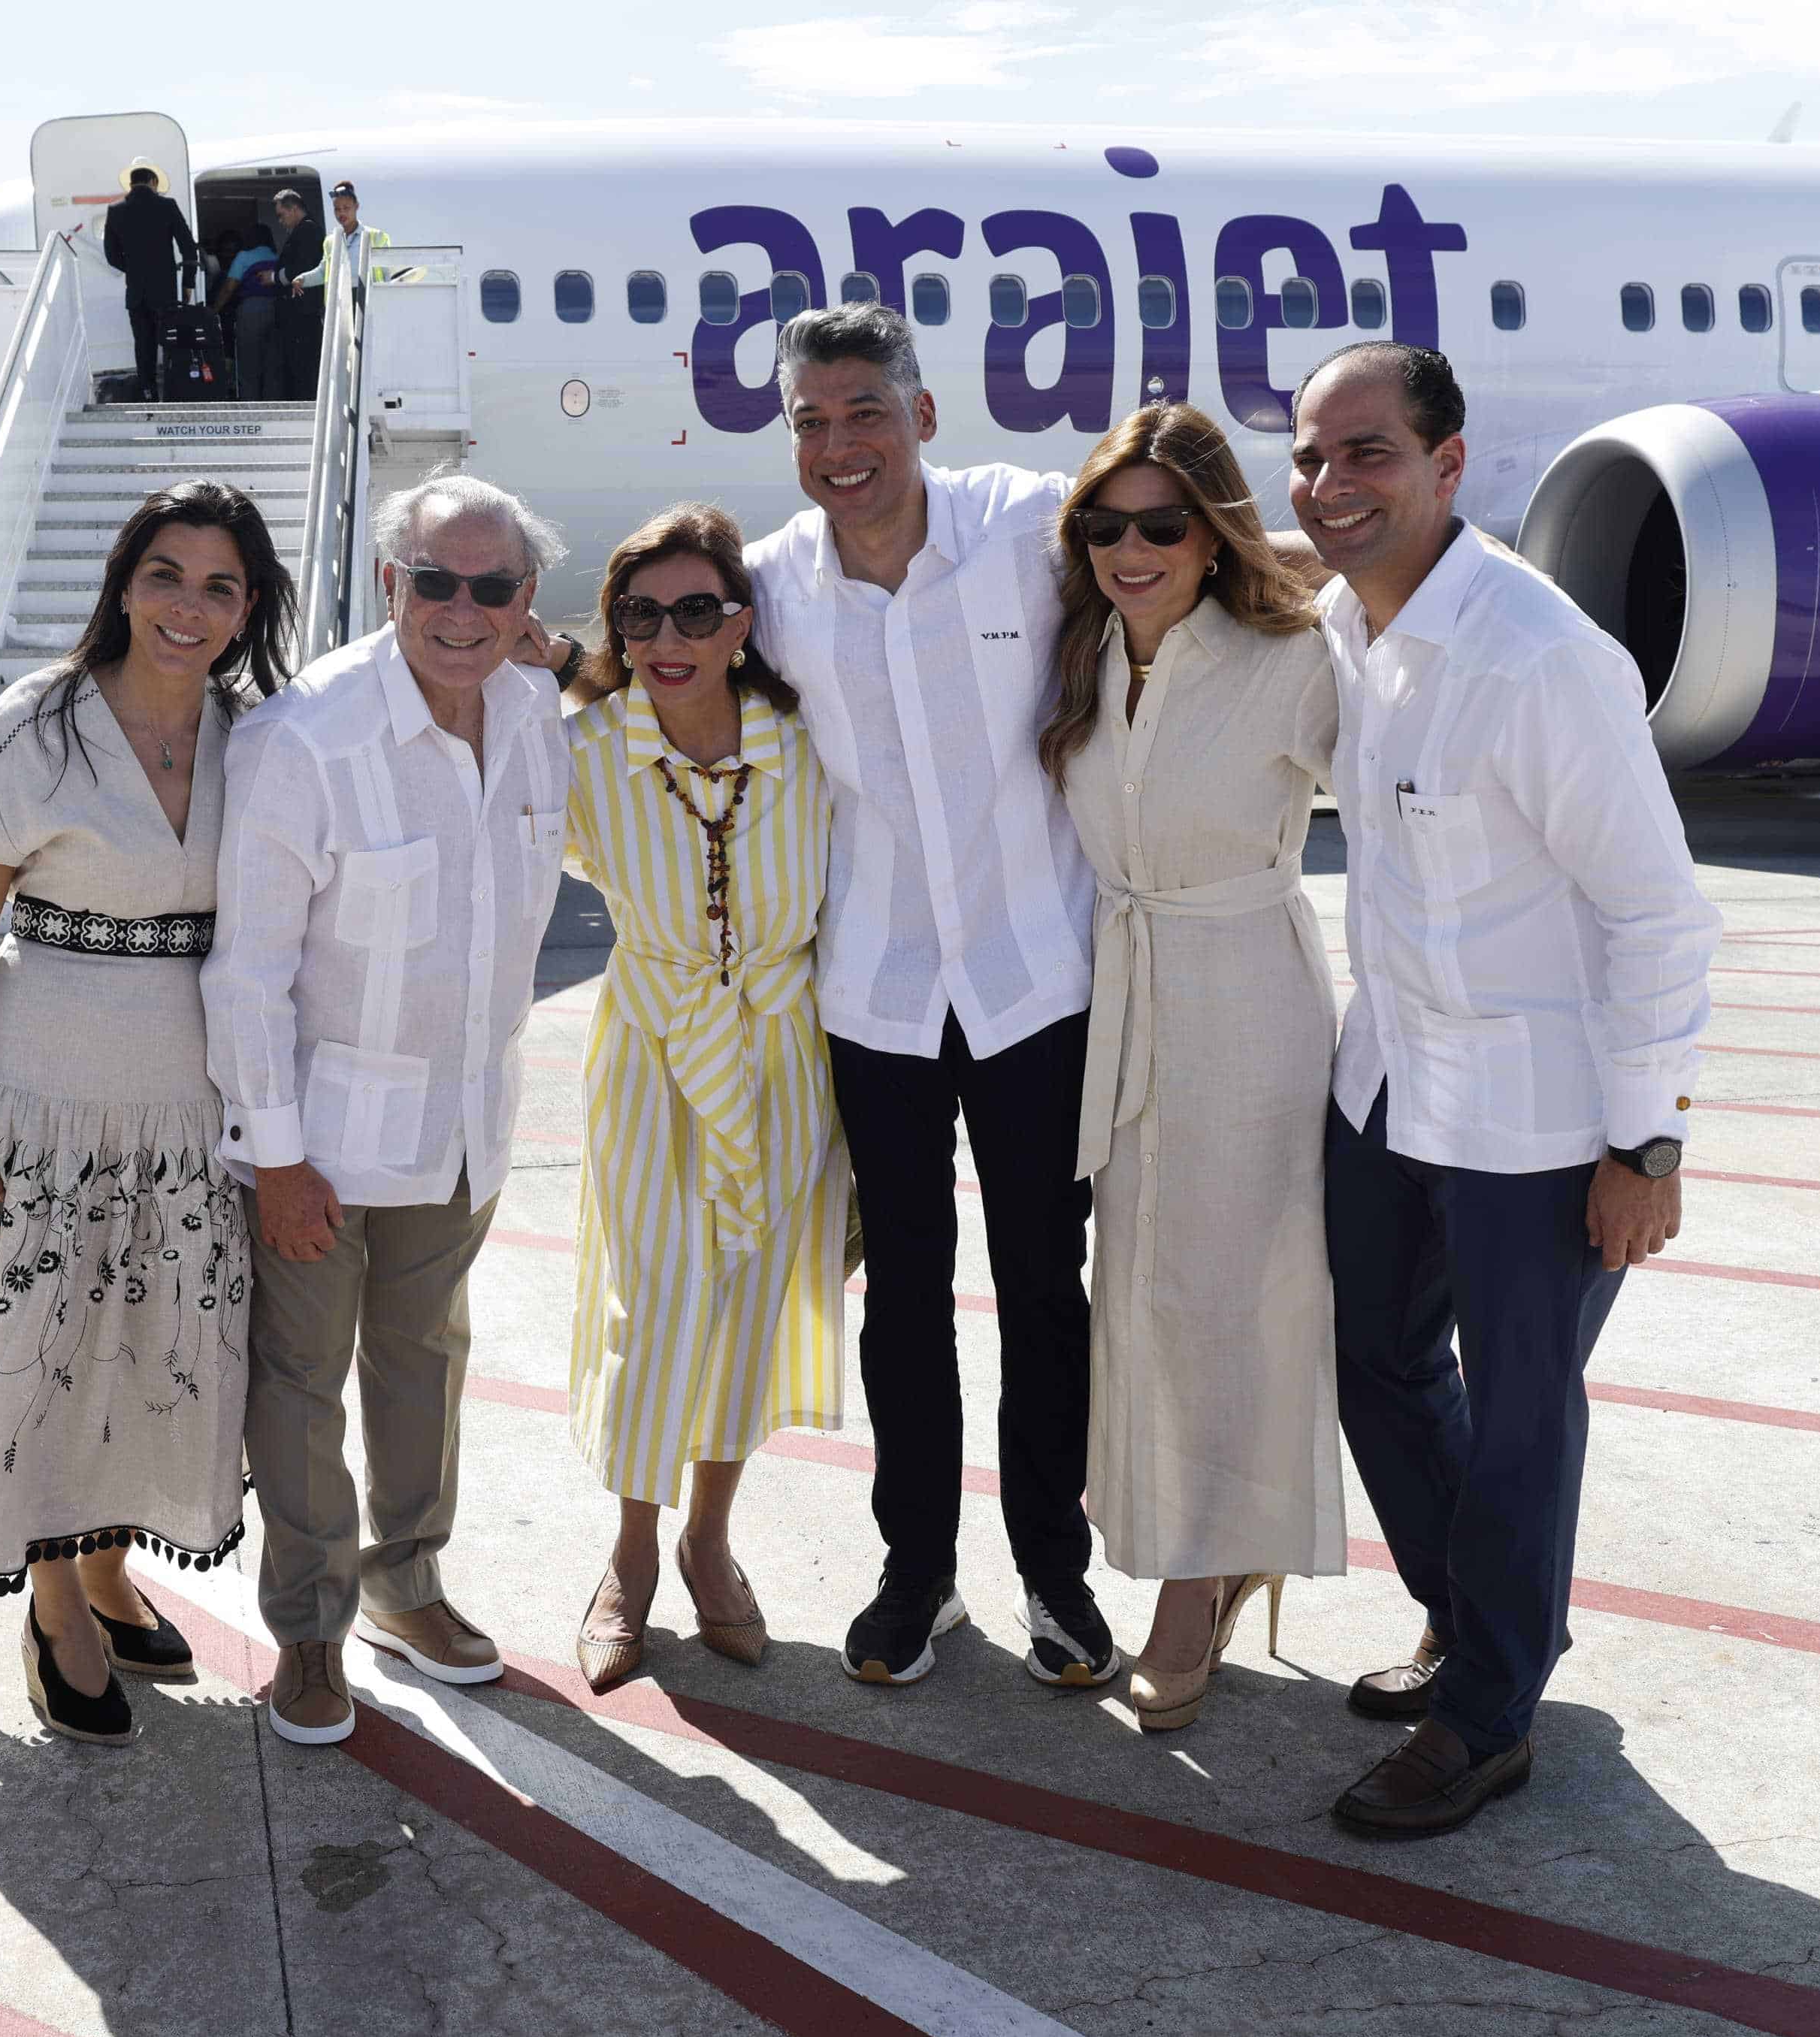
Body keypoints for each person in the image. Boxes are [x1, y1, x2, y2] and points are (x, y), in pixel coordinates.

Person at [1289, 343, 1719, 1838]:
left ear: (1449, 465)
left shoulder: (1540, 660)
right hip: (1390, 1087)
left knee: (1524, 1411)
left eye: (1368, 455)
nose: (1332, 485)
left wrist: (1644, 1139)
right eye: (1313, 457)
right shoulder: (1347, 625)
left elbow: (1657, 913)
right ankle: (1481, 1620)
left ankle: (1484, 1718)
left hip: (1540, 1123)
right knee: (1371, 1365)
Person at [0, 481, 295, 1750]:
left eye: (219, 585)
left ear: (246, 605)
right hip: (40, 1093)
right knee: (46, 1343)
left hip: (186, 1103)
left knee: (139, 1340)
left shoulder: (250, 734)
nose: (188, 606)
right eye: (166, 574)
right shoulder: (31, 727)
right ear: (124, 579)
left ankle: (106, 1568)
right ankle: (55, 1608)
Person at [743, 304, 1107, 1692]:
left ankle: (1056, 1575)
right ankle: (919, 1571)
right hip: (880, 992)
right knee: (901, 1294)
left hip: (1036, 979)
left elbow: (1186, 565)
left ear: (925, 418)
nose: (841, 446)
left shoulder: (1030, 526)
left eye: (866, 414)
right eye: (812, 422)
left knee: (1041, 1288)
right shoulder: (775, 583)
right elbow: (650, 657)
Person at [202, 473, 572, 1746]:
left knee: (425, 1363)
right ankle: (310, 1627)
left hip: (466, 1125)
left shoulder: (534, 711)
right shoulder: (305, 737)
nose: (461, 612)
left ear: (527, 602)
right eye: (435, 582)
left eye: (492, 588)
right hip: (322, 1140)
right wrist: (278, 1153)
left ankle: (407, 1584)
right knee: (302, 1385)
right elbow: (247, 967)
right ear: (387, 585)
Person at [1038, 403, 1346, 1732]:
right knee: (1145, 1297)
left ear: (1214, 532)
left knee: (1235, 1296)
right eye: (1106, 525)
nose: (1131, 547)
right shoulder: (1085, 655)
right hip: (1128, 994)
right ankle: (1188, 1543)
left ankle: (1202, 1572)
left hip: (1248, 999)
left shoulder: (1294, 658)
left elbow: (1420, 808)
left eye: (1164, 523)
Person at [560, 503, 844, 1694]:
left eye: (696, 610)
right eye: (640, 613)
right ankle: (629, 1556)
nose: (667, 635)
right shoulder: (580, 756)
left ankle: (707, 1538)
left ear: (742, 623)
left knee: (750, 1301)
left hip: (785, 1058)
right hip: (653, 1058)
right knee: (652, 1301)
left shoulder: (813, 745)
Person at [101, 160, 198, 400]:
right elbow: (188, 247)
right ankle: (176, 393)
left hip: (136, 293)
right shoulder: (167, 206)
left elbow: (111, 256)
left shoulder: (116, 210)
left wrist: (133, 269)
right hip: (165, 291)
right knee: (171, 342)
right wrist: (188, 283)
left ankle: (149, 394)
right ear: (153, 182)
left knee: (143, 345)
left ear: (132, 184)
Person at [218, 225, 286, 402]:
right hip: (278, 310)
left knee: (248, 362)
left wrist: (213, 310)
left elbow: (228, 289)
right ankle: (273, 407)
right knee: (273, 363)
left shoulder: (244, 257)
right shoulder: (278, 258)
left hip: (251, 311)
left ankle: (250, 406)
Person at [271, 191, 325, 402]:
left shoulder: (308, 230)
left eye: (281, 215)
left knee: (304, 368)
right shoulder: (302, 230)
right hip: (297, 314)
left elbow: (302, 267)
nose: (280, 221)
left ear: (294, 209)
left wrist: (275, 278)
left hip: (303, 312)